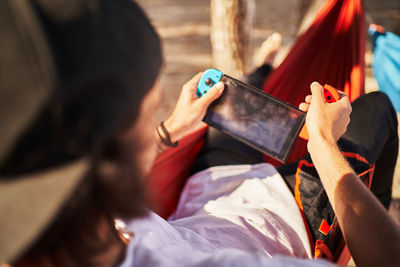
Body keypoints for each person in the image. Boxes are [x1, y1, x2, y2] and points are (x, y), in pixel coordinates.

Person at [0, 1, 399, 267]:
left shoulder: (73, 222)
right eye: (150, 99)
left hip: (207, 186)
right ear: (121, 136)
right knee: (377, 107)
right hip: (289, 210)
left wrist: (172, 127)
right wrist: (324, 145)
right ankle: (371, 210)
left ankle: (265, 66)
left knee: (234, 104)